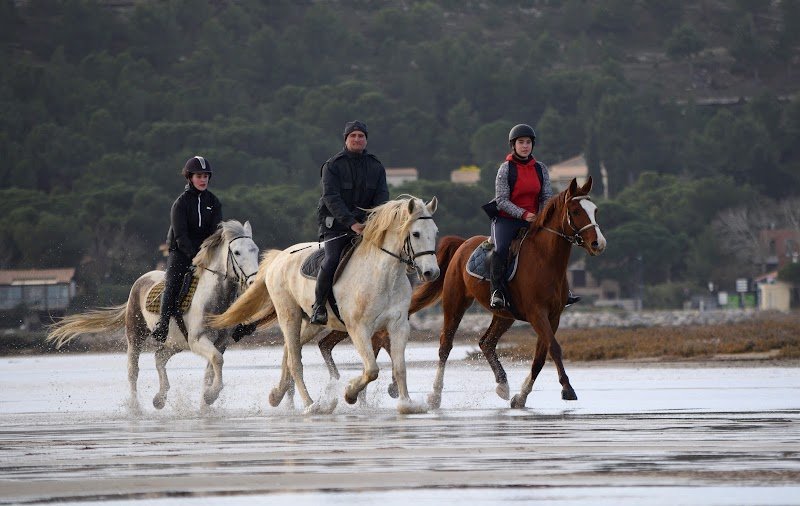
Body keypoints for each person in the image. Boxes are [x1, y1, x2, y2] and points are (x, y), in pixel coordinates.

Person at [488, 124, 580, 310]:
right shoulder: (505, 169)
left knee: (554, 246)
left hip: (535, 219)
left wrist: (542, 215)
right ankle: (496, 291)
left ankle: (563, 289)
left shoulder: (541, 168)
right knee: (501, 248)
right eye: (521, 142)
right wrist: (524, 214)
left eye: (528, 142)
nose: (525, 146)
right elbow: (502, 200)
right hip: (507, 219)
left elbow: (546, 197)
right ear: (513, 145)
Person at [310, 120, 390, 325]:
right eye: (352, 136)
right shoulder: (332, 166)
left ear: (366, 140)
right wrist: (352, 223)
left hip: (368, 227)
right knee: (331, 260)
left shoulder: (376, 166)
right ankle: (318, 307)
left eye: (361, 136)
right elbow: (331, 198)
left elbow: (382, 198)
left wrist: (372, 223)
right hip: (337, 227)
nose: (357, 139)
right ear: (346, 139)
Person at [151, 155, 222, 342]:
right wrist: (194, 256)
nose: (203, 180)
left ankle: (242, 323)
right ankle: (163, 324)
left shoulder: (214, 202)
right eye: (199, 176)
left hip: (206, 251)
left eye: (206, 176)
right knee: (173, 282)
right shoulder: (180, 203)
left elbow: (215, 232)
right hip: (181, 251)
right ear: (190, 177)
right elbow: (181, 236)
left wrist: (210, 253)